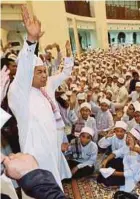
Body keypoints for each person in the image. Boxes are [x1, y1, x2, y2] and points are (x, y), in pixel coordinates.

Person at [8, 6, 73, 189]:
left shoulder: (42, 91)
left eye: (45, 71)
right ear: (29, 73)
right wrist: (31, 41)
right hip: (36, 157)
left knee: (54, 184)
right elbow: (24, 70)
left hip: (51, 149)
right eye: (39, 72)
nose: (44, 75)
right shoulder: (20, 93)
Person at [98, 128, 140, 192]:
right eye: (127, 137)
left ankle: (117, 184)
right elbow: (116, 153)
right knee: (110, 162)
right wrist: (106, 160)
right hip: (125, 167)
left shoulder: (138, 152)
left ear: (136, 141)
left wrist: (114, 173)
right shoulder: (127, 146)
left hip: (133, 176)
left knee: (107, 180)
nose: (127, 139)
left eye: (130, 138)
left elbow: (131, 173)